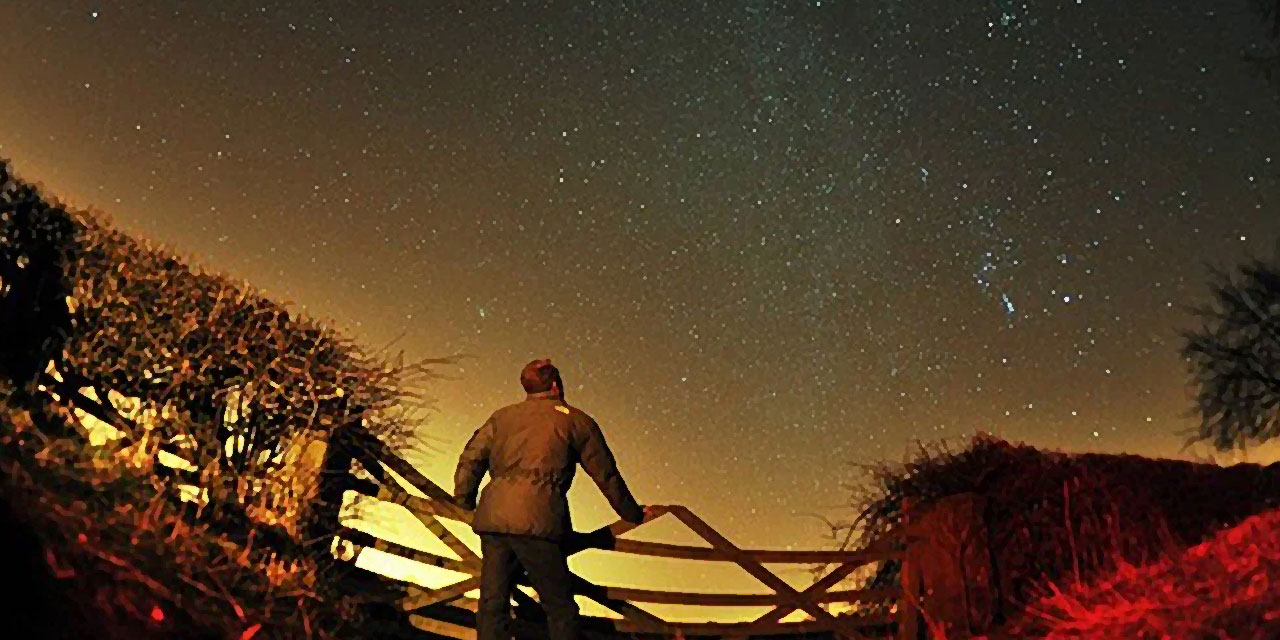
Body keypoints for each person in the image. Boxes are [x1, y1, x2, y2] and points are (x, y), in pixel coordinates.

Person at [454, 358, 655, 640]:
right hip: (539, 522)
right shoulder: (576, 420)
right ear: (556, 385)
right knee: (560, 607)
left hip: (494, 520)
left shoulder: (502, 416)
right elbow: (605, 473)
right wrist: (632, 513)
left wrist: (464, 499)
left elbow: (471, 458)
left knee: (492, 602)